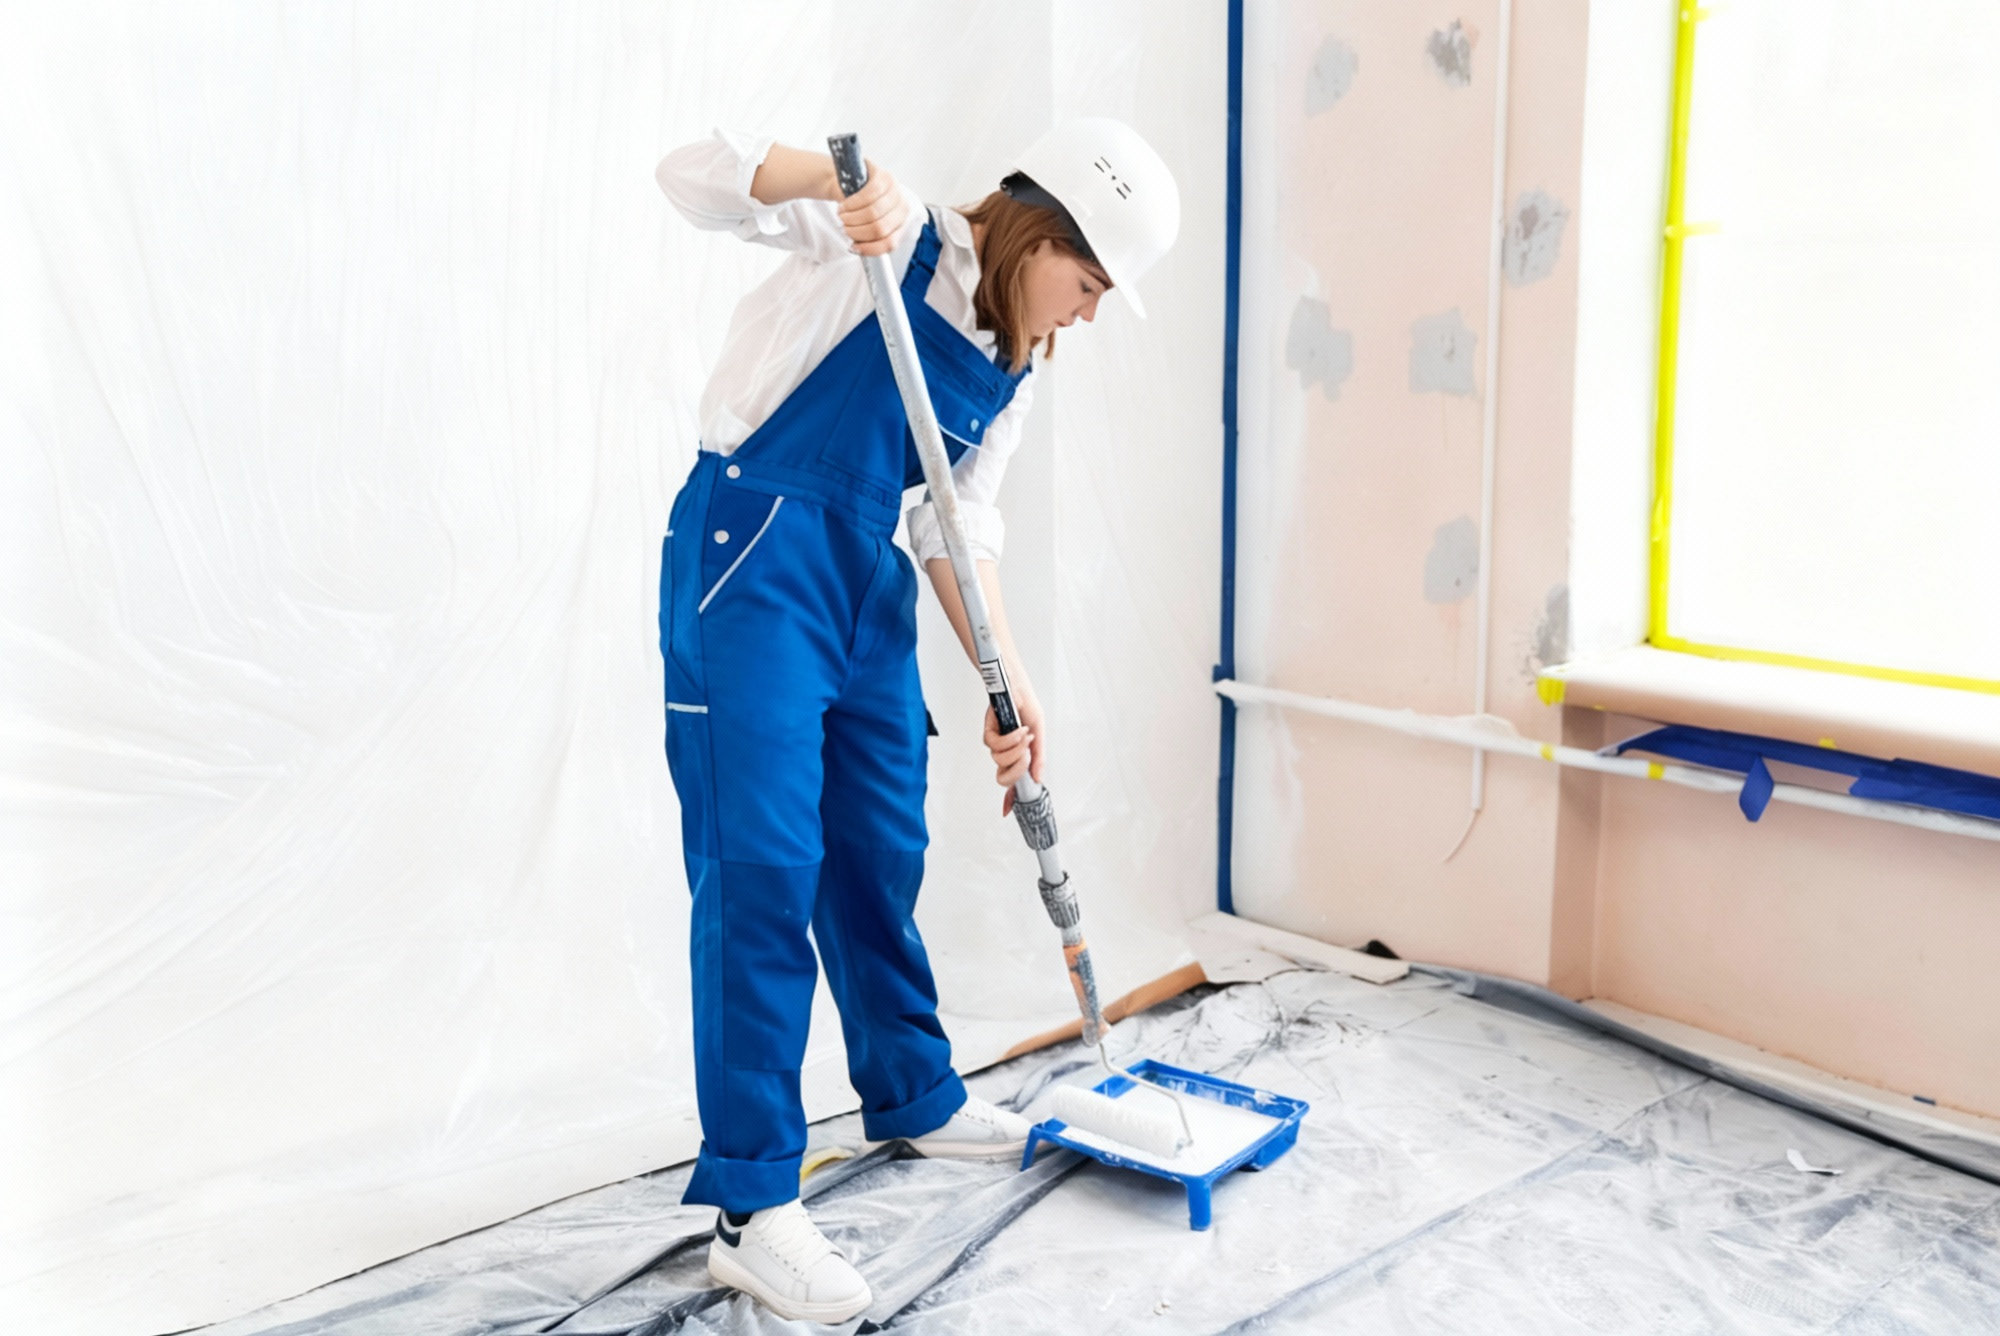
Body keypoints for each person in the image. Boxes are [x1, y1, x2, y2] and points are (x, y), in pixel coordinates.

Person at [654, 118, 1179, 1324]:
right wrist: (826, 179)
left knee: (881, 846)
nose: (1087, 315)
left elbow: (955, 519)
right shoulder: (873, 239)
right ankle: (752, 1199)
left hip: (866, 583)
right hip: (755, 563)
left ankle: (910, 1090)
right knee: (764, 870)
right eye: (1088, 283)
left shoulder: (1018, 356)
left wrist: (1010, 678)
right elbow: (687, 175)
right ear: (1040, 230)